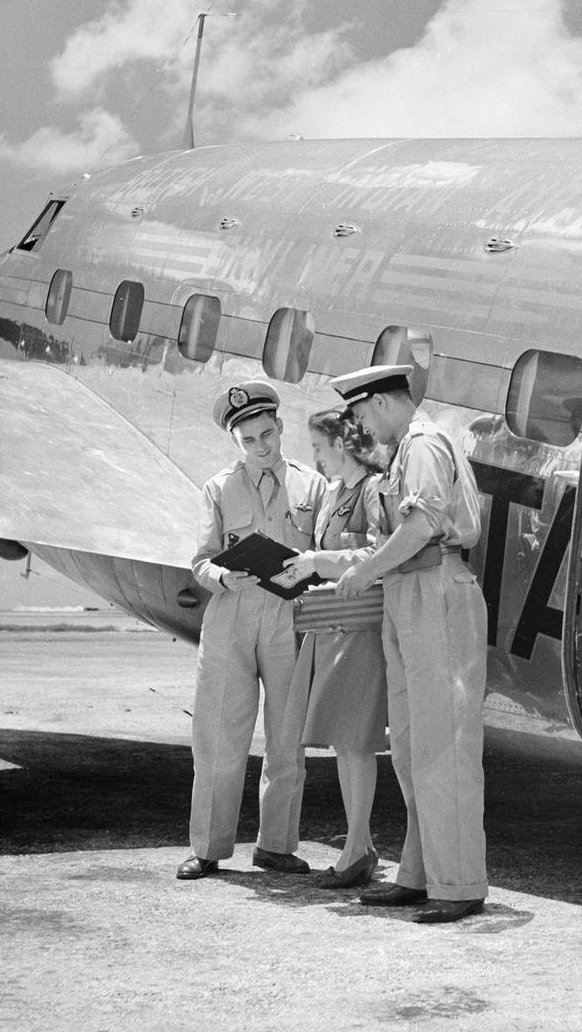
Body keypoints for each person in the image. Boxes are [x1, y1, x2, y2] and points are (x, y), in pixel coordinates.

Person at [300, 364, 489, 924]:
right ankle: (419, 874)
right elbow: (389, 541)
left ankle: (458, 884)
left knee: (444, 747)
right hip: (409, 593)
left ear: (380, 403)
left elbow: (420, 529)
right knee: (409, 747)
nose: (360, 426)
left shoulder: (425, 447)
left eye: (359, 413)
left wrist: (364, 574)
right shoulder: (403, 453)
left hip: (437, 592)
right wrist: (332, 566)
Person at [177, 381, 327, 881]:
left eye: (268, 434)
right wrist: (222, 575)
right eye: (250, 440)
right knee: (219, 736)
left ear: (281, 427)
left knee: (287, 738)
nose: (262, 447)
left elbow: (324, 554)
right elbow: (199, 562)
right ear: (236, 443)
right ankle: (208, 847)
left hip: (290, 619)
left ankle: (276, 846)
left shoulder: (313, 486)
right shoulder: (219, 488)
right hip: (232, 619)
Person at [279, 410, 391, 889]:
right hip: (331, 627)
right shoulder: (333, 495)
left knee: (355, 742)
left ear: (341, 445)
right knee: (346, 745)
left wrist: (317, 560)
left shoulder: (372, 489)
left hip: (358, 631)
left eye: (321, 448)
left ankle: (356, 849)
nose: (316, 458)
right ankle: (358, 844)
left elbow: (380, 552)